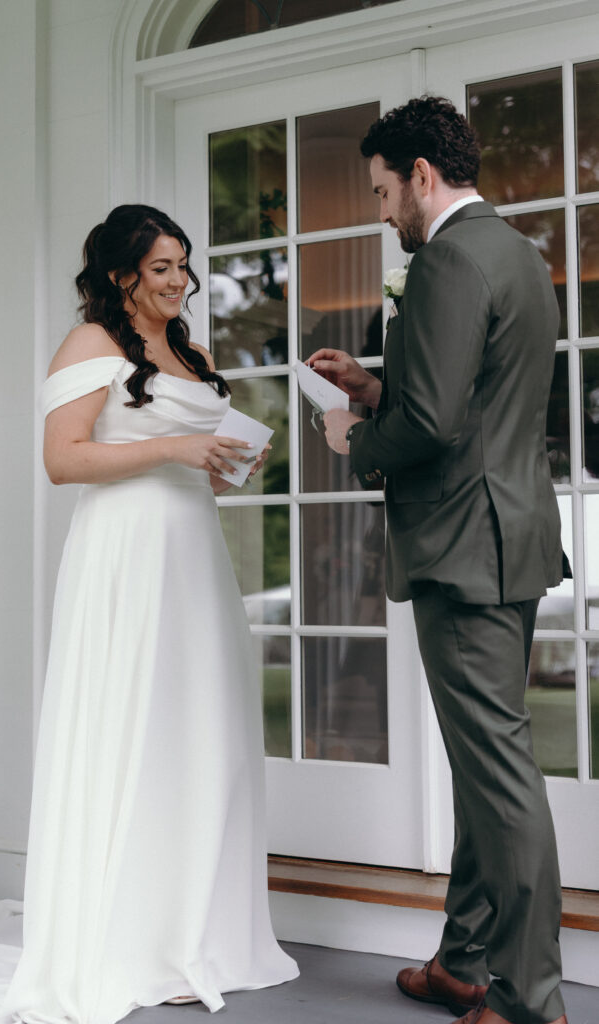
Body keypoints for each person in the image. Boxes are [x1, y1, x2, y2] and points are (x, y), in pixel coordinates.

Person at [0, 204, 298, 1023]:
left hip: (193, 549)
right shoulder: (89, 345)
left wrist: (227, 460)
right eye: (161, 267)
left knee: (205, 732)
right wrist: (173, 447)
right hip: (125, 555)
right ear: (121, 273)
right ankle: (129, 935)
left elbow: (197, 460)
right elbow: (64, 461)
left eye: (183, 266)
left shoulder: (188, 350)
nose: (179, 281)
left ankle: (197, 930)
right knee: (135, 726)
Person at [309, 96, 569, 1024]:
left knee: (496, 770)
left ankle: (529, 996)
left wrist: (353, 433)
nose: (382, 211)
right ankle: (463, 960)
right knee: (481, 761)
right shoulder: (517, 255)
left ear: (421, 175)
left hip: (466, 546)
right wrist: (375, 381)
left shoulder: (451, 259)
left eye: (384, 191)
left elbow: (429, 426)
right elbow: (468, 395)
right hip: (504, 534)